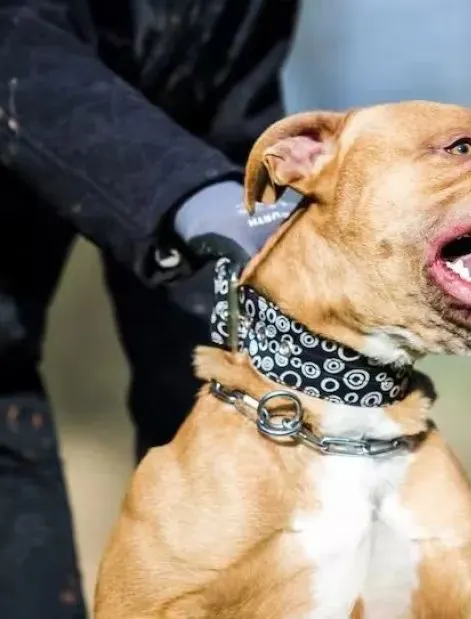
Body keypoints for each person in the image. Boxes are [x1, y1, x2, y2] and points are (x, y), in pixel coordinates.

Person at [0, 1, 305, 616]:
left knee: (231, 414)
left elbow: (228, 101)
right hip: (71, 124)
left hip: (174, 153)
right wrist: (189, 190)